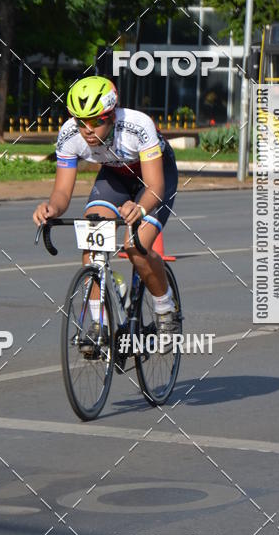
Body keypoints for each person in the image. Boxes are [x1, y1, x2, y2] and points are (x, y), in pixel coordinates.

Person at [32, 75, 180, 348]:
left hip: (155, 178)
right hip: (114, 177)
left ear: (111, 116)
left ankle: (165, 307)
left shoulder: (137, 126)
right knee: (91, 239)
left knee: (135, 246)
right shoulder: (69, 134)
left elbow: (155, 185)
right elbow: (62, 193)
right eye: (80, 121)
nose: (87, 130)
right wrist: (50, 208)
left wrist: (140, 207)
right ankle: (99, 324)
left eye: (95, 121)